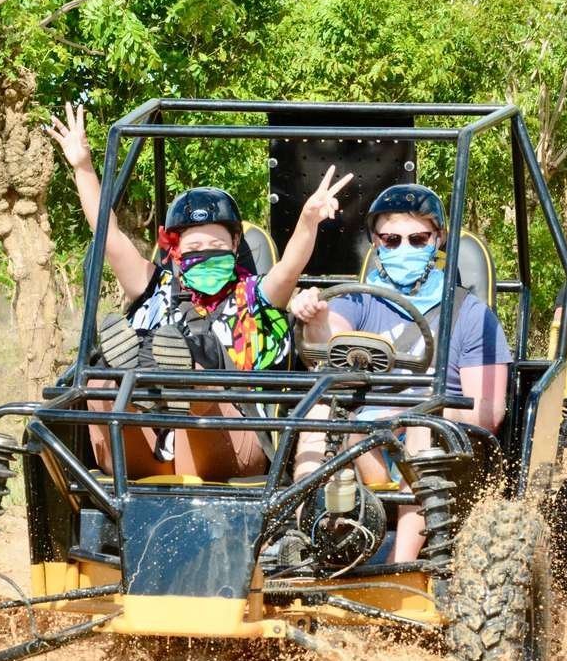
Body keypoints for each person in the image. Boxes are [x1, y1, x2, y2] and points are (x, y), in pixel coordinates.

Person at [46, 102, 351, 480]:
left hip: (234, 441)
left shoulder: (256, 296)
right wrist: (83, 167)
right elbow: (109, 238)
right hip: (148, 450)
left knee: (199, 381)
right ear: (174, 251)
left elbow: (290, 265)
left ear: (236, 243)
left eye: (216, 247)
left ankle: (179, 379)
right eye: (193, 251)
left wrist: (308, 220)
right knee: (102, 381)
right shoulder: (155, 287)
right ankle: (141, 383)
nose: (204, 257)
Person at [289, 184, 512, 562]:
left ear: (437, 239)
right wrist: (315, 316)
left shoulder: (471, 313)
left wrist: (415, 413)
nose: (403, 248)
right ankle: (313, 544)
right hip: (365, 440)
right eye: (391, 240)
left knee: (421, 426)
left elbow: (489, 412)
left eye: (417, 238)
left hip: (444, 449)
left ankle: (401, 566)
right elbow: (329, 342)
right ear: (375, 242)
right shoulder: (359, 299)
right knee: (318, 413)